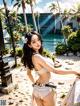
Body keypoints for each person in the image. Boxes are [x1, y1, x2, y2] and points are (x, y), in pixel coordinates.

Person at [22, 31, 80, 106]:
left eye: (38, 40)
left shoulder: (30, 57)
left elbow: (28, 73)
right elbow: (55, 71)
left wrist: (34, 83)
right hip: (45, 90)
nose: (38, 43)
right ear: (29, 45)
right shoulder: (37, 56)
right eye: (34, 42)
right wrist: (74, 71)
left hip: (37, 90)